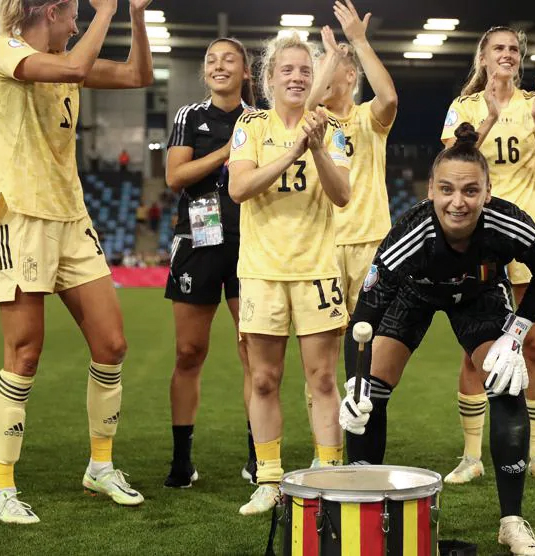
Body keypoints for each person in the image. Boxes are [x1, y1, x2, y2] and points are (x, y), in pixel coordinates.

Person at [341, 123, 535, 555]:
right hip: (414, 294)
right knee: (369, 396)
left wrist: (516, 333)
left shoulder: (510, 224)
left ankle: (512, 522)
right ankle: (364, 505)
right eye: (447, 190)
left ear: (487, 192)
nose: (458, 202)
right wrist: (355, 381)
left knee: (506, 382)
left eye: (470, 191)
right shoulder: (407, 236)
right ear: (431, 191)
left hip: (478, 297)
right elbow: (364, 314)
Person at [0, 0, 153, 523]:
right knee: (24, 354)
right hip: (21, 216)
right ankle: (2, 490)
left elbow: (138, 74)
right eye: (74, 14)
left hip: (70, 216)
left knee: (112, 343)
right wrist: (107, 10)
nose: (78, 24)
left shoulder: (65, 59)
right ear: (50, 10)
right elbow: (78, 66)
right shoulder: (1, 51)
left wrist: (137, 17)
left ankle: (99, 466)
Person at [227, 33, 351, 516]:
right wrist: (292, 151)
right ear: (270, 77)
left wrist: (317, 147)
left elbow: (341, 195)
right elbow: (239, 187)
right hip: (261, 272)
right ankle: (270, 480)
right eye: (287, 70)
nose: (296, 77)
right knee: (263, 379)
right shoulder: (251, 125)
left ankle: (329, 475)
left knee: (322, 379)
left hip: (317, 269)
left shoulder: (333, 128)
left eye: (304, 70)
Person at [440, 26, 535, 485]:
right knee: (476, 349)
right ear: (484, 57)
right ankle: (472, 456)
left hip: (530, 235)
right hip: (476, 238)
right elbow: (451, 163)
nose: (508, 55)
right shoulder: (465, 108)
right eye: (499, 48)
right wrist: (490, 118)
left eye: (514, 49)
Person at [301, 0, 398, 467]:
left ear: (351, 78)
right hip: (319, 247)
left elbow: (391, 99)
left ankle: (362, 448)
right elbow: (301, 102)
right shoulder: (311, 123)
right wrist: (327, 60)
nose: (322, 71)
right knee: (319, 358)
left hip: (369, 246)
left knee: (365, 358)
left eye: (333, 67)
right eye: (322, 65)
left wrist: (356, 43)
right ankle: (328, 454)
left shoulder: (366, 119)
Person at [162, 37, 256, 488]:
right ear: (205, 72)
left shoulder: (260, 120)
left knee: (252, 351)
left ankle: (261, 455)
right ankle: (182, 460)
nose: (219, 66)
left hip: (251, 243)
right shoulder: (189, 117)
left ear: (246, 71)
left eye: (229, 59)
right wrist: (227, 152)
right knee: (188, 351)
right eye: (211, 60)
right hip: (199, 239)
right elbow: (175, 176)